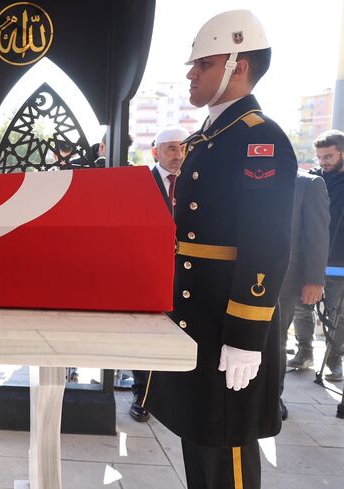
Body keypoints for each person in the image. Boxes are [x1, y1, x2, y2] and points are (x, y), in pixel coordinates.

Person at [142, 11, 296, 489]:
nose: (191, 74)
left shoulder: (258, 139)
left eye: (202, 64)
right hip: (197, 317)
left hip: (229, 322)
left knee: (226, 445)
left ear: (239, 65)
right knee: (200, 434)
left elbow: (266, 242)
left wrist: (247, 336)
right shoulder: (206, 140)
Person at [128, 126, 189, 423]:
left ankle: (176, 394)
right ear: (155, 152)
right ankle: (143, 393)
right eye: (171, 149)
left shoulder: (197, 182)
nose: (179, 155)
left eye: (183, 148)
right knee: (144, 334)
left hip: (188, 274)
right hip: (147, 271)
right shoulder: (139, 183)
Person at [277, 170, 328, 420]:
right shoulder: (245, 176)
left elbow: (317, 235)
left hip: (286, 280)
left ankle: (273, 398)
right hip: (242, 276)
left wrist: (314, 280)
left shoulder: (308, 184)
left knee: (275, 342)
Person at [311, 130, 344, 382]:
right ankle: (304, 351)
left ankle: (334, 359)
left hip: (339, 261)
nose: (324, 161)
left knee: (336, 312)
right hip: (312, 256)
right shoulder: (314, 180)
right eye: (320, 157)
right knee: (303, 309)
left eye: (329, 156)